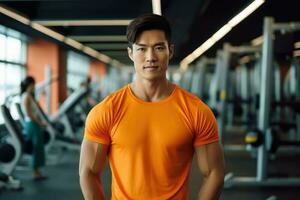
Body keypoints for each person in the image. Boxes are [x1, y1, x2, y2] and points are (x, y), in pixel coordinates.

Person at [79, 14, 225, 200]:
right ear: (131, 53)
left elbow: (214, 173)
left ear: (170, 51)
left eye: (158, 48)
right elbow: (88, 172)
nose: (150, 57)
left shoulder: (196, 111)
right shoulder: (107, 111)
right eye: (141, 49)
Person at [20, 76, 47, 180]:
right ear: (28, 85)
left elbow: (35, 111)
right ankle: (35, 173)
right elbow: (28, 114)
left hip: (34, 124)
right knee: (36, 148)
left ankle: (37, 171)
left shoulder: (30, 96)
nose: (33, 87)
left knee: (39, 147)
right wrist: (40, 123)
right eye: (32, 85)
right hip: (32, 124)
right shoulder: (26, 96)